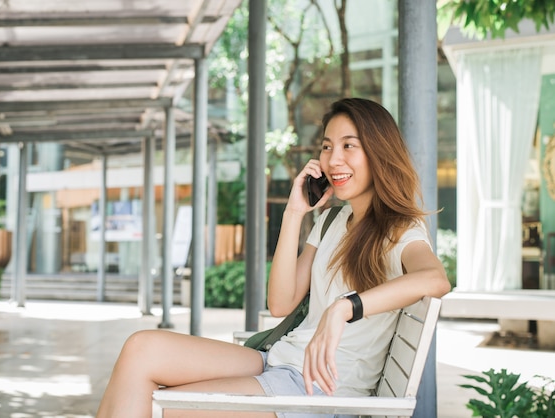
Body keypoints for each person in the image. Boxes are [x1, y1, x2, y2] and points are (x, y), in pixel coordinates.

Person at [95, 97, 451, 418]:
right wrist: (294, 213)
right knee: (141, 348)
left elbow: (435, 279)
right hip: (275, 361)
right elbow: (280, 303)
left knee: (157, 405)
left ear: (378, 152)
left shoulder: (400, 229)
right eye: (327, 146)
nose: (333, 159)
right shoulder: (330, 221)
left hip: (314, 392)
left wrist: (343, 308)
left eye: (349, 146)